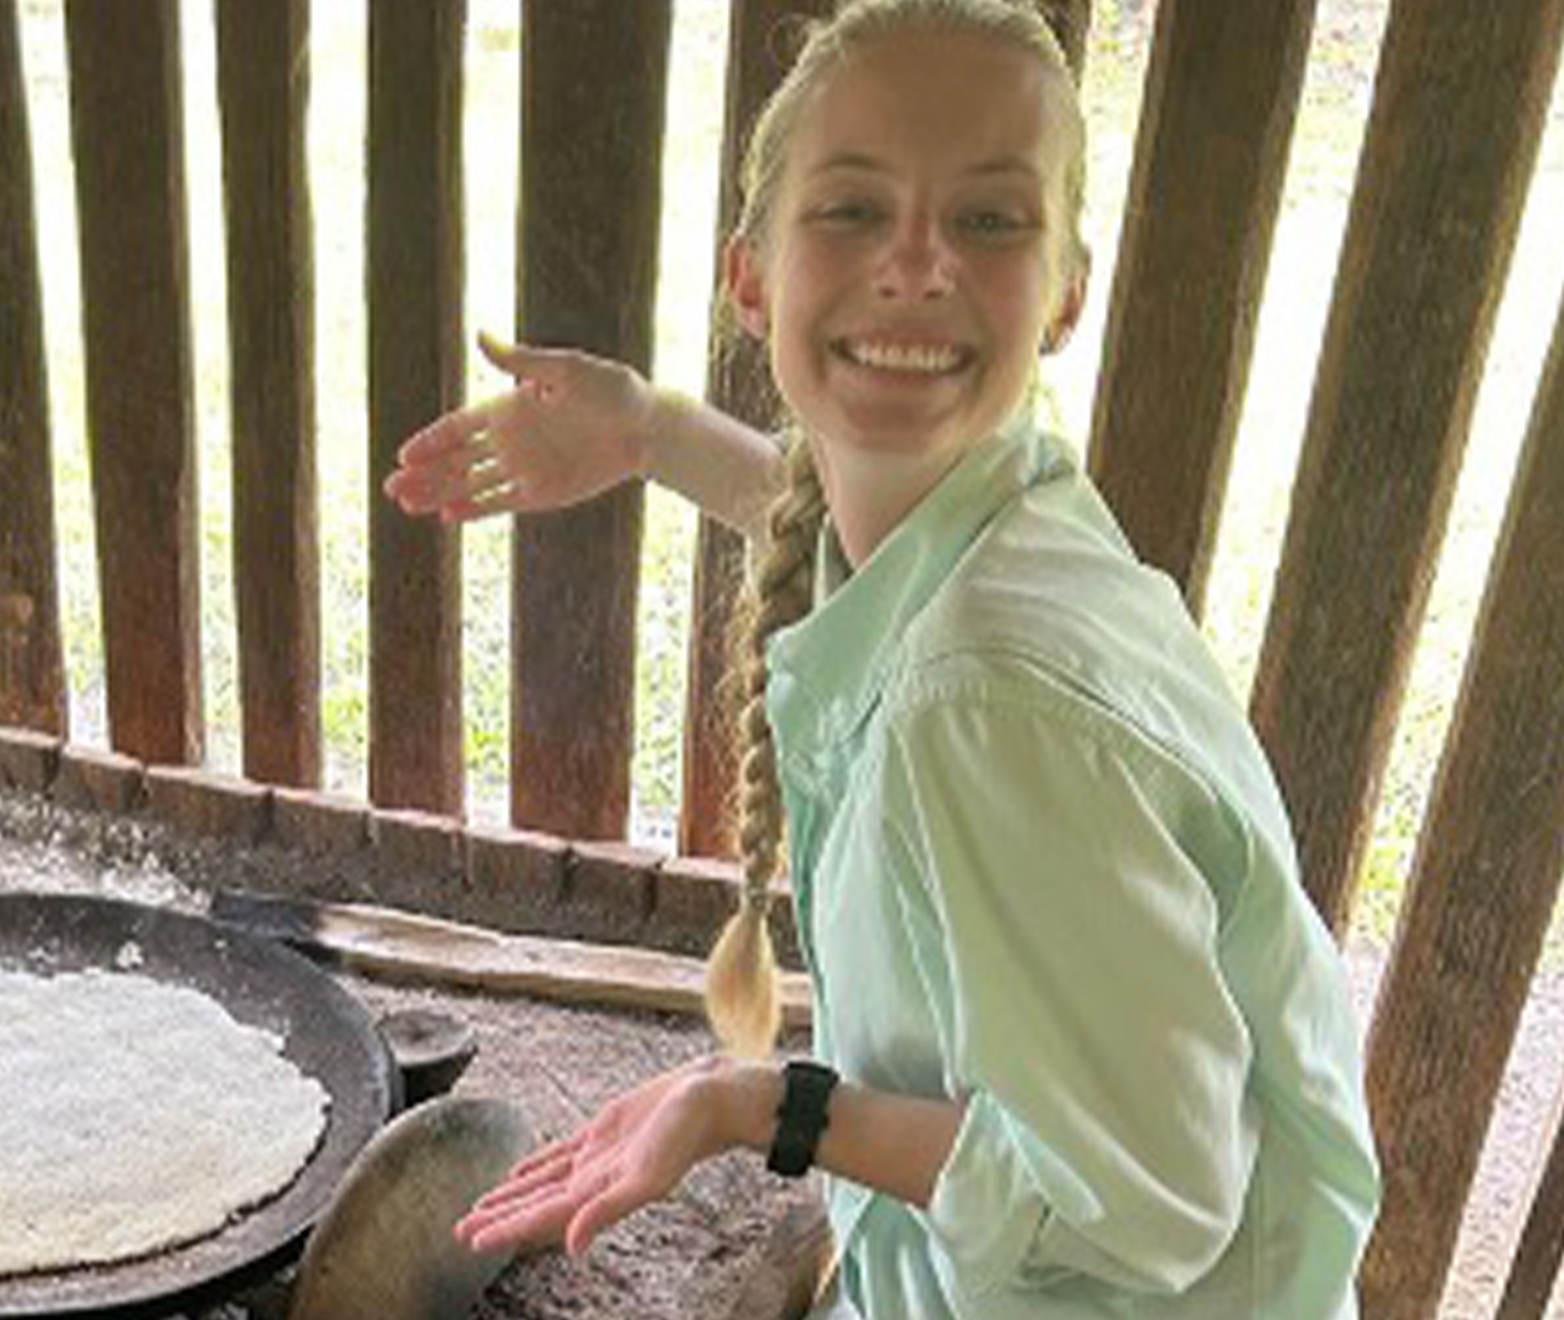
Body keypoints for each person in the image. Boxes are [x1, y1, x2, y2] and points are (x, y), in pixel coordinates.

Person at [382, 1, 1381, 1316]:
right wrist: (652, 435)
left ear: (1067, 288)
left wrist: (767, 1104)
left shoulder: (980, 706)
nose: (915, 262)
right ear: (752, 277)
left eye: (988, 218)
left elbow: (1143, 1208)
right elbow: (848, 548)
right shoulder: (1002, 512)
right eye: (853, 210)